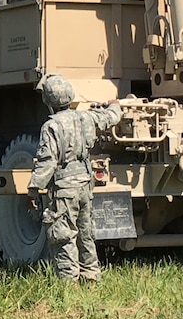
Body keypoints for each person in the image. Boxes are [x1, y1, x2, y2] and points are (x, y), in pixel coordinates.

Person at [26, 75, 121, 283]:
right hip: (85, 183)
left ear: (48, 101)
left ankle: (69, 284)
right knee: (86, 232)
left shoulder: (51, 127)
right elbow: (110, 118)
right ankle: (91, 277)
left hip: (64, 187)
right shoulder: (86, 117)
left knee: (62, 234)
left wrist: (33, 189)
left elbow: (47, 162)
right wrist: (115, 106)